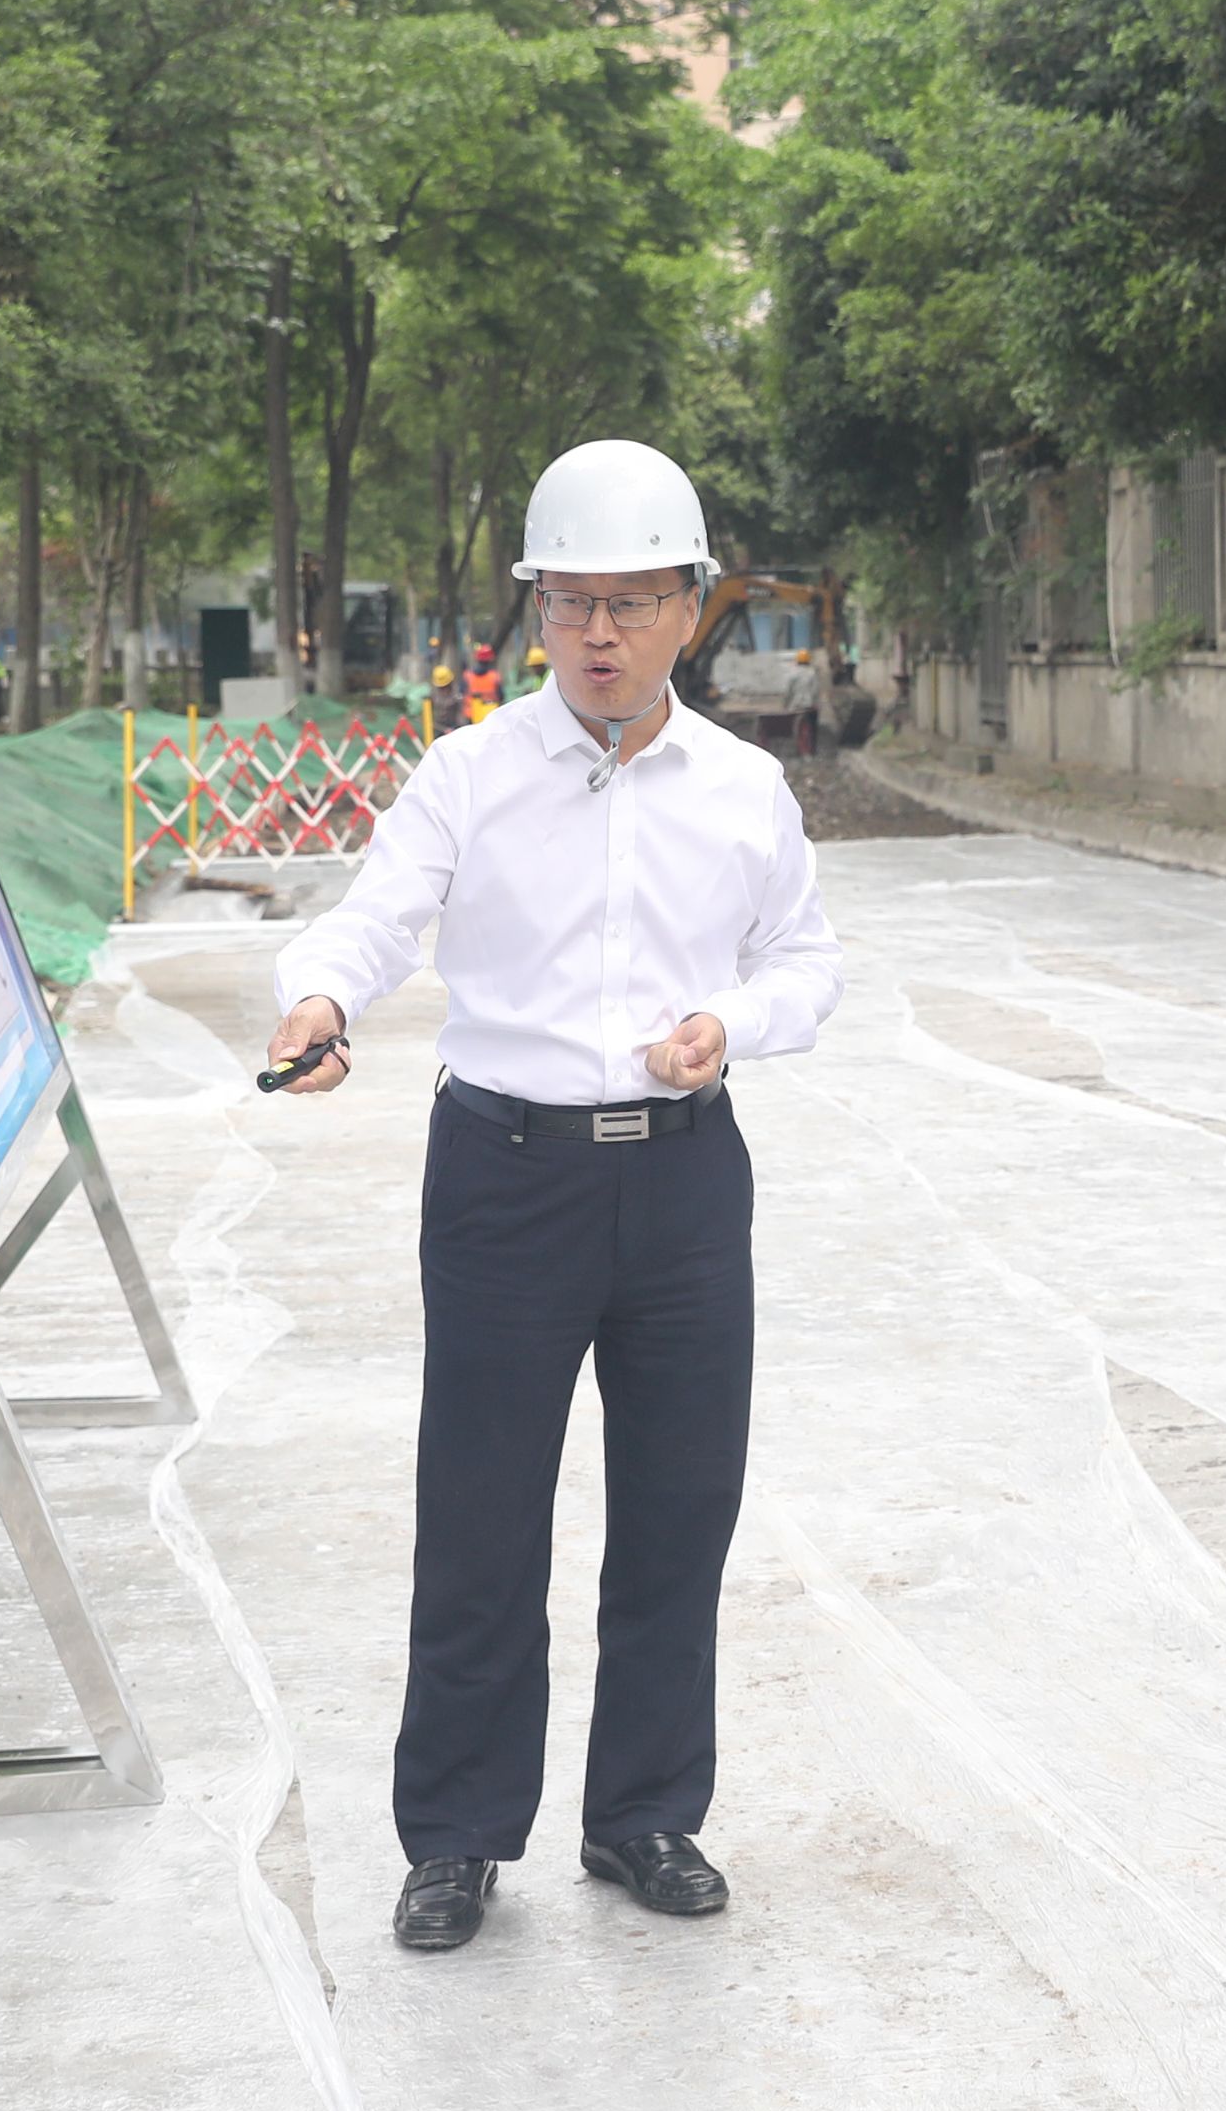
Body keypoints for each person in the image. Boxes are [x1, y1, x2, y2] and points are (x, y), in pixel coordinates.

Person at [262, 437, 845, 1956]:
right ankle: (454, 1839)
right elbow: (374, 919)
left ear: (692, 611)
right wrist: (317, 1005)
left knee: (676, 1514)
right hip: (506, 1181)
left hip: (685, 1184)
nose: (599, 634)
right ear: (536, 609)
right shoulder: (468, 776)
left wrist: (739, 1025)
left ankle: (645, 1815)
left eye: (634, 603)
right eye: (572, 602)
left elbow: (807, 959)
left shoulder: (741, 789)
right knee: (480, 1515)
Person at [781, 644, 827, 762]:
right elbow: (815, 690)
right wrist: (816, 703)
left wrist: (785, 705)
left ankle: (796, 747)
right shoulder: (812, 674)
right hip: (809, 706)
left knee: (794, 726)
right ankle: (811, 750)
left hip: (795, 707)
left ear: (798, 661)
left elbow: (788, 692)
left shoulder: (792, 674)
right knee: (812, 728)